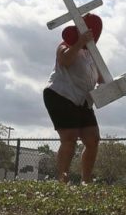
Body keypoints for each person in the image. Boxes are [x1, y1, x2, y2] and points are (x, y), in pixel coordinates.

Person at [42, 16, 102, 184]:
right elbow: (65, 60)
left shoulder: (92, 54)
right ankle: (63, 180)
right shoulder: (65, 45)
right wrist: (78, 43)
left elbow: (101, 78)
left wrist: (117, 86)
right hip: (61, 94)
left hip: (83, 99)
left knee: (93, 139)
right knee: (69, 137)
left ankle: (86, 180)